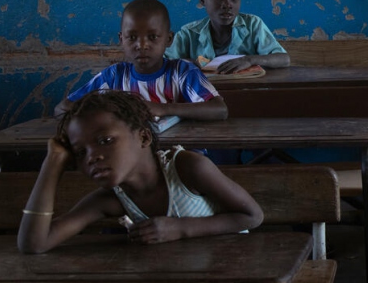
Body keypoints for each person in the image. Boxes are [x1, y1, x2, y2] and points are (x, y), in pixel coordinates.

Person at [19, 90, 263, 253]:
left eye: (105, 140)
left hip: (232, 266)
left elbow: (252, 216)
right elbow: (34, 243)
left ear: (144, 137)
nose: (93, 156)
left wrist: (180, 229)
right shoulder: (112, 199)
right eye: (80, 152)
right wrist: (52, 163)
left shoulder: (188, 168)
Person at [54, 0, 227, 120]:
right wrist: (109, 114)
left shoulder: (182, 72)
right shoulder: (114, 77)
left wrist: (162, 109)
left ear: (168, 39)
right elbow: (62, 109)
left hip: (180, 155)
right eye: (132, 37)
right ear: (121, 39)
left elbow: (219, 110)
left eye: (152, 37)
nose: (142, 45)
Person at [164, 0, 290, 74]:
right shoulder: (189, 33)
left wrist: (249, 60)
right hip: (204, 98)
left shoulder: (253, 25)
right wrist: (186, 62)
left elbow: (284, 59)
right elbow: (163, 62)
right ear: (203, 0)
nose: (227, 5)